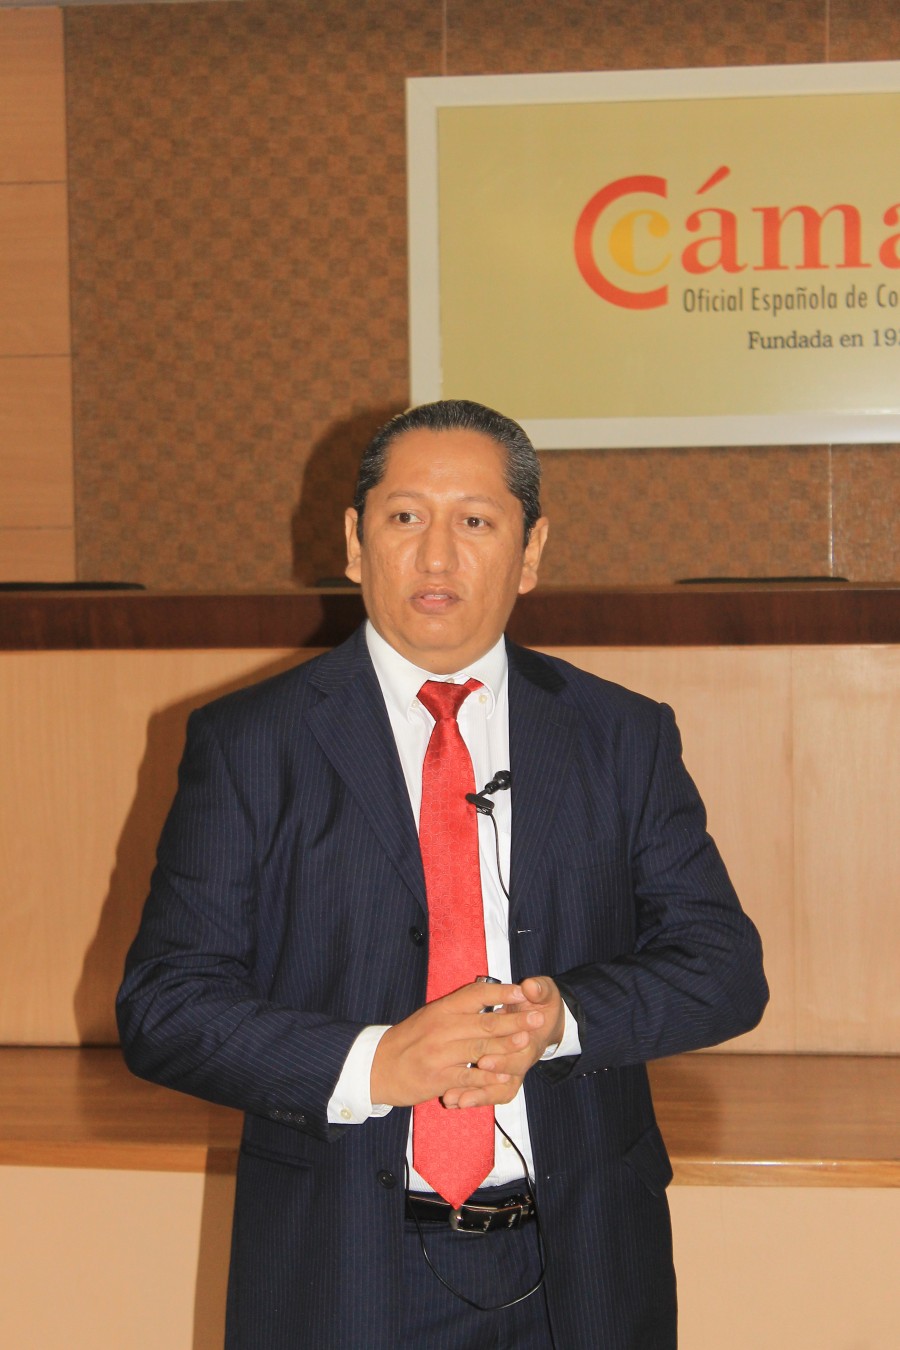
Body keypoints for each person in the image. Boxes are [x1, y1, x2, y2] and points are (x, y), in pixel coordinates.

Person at [117, 399, 768, 1349]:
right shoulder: (250, 744)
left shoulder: (621, 735)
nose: (436, 556)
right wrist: (376, 1063)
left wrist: (561, 1019)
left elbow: (723, 969)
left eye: (475, 521)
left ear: (531, 551)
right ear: (354, 543)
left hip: (582, 1271)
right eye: (404, 517)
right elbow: (165, 1006)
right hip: (341, 1272)